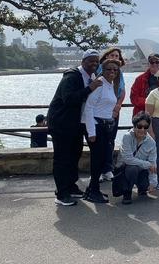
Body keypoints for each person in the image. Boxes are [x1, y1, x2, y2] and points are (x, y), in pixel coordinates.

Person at [47, 49, 103, 206]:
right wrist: (89, 88)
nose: (94, 63)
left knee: (74, 156)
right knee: (62, 158)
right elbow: (69, 99)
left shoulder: (90, 76)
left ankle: (71, 186)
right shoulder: (72, 76)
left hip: (75, 124)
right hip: (61, 124)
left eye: (96, 61)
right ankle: (61, 193)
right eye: (91, 60)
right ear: (83, 61)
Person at [81, 58, 121, 203]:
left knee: (103, 158)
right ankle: (94, 191)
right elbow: (89, 107)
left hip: (105, 126)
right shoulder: (99, 84)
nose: (112, 72)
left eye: (115, 69)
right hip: (96, 125)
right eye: (109, 69)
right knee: (97, 159)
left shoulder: (110, 85)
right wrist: (91, 131)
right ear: (103, 70)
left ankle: (91, 190)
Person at [96, 46, 127, 182]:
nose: (114, 58)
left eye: (117, 56)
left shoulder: (119, 73)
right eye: (112, 55)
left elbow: (123, 91)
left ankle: (107, 168)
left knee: (110, 140)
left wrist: (117, 108)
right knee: (98, 141)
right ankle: (97, 170)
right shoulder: (100, 71)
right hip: (101, 110)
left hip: (114, 111)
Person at [115, 111, 157, 204]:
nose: (142, 129)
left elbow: (153, 163)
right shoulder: (127, 137)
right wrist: (147, 164)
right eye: (139, 126)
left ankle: (142, 187)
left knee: (145, 184)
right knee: (132, 169)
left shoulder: (151, 142)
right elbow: (128, 159)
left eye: (145, 127)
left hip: (142, 169)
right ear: (134, 126)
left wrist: (153, 184)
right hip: (125, 168)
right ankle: (127, 192)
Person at [130, 53, 159, 117]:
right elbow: (133, 98)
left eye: (157, 62)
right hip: (142, 115)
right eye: (152, 62)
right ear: (148, 64)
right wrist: (151, 102)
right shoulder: (139, 79)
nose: (154, 64)